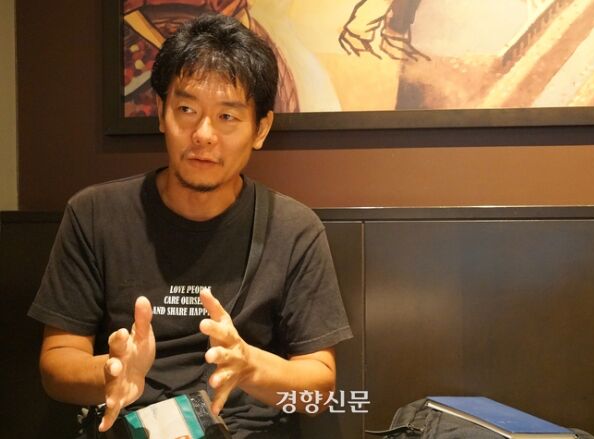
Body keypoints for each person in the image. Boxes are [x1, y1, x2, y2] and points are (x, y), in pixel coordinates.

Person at [28, 13, 352, 438]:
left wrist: (249, 366)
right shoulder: (94, 214)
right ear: (161, 113)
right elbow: (57, 362)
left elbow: (319, 389)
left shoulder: (294, 229)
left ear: (261, 129)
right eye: (186, 109)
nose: (203, 134)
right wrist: (111, 373)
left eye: (228, 116)